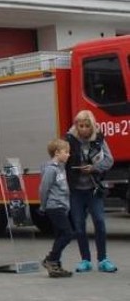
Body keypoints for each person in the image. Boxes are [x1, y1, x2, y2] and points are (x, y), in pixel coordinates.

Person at [65, 110, 117, 273]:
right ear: (76, 126)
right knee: (79, 226)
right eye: (81, 126)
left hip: (94, 189)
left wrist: (94, 168)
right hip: (76, 190)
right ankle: (85, 260)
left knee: (100, 223)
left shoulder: (99, 139)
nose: (84, 129)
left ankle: (103, 259)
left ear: (93, 126)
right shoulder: (69, 140)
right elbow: (60, 159)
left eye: (87, 126)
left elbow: (109, 159)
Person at [38, 138, 74, 278]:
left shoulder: (61, 168)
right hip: (54, 206)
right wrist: (43, 205)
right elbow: (44, 188)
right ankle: (51, 259)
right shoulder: (51, 170)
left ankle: (56, 266)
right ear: (57, 153)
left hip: (62, 206)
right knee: (67, 233)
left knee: (60, 235)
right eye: (66, 152)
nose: (68, 155)